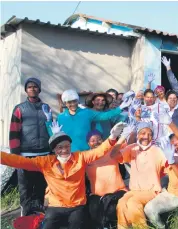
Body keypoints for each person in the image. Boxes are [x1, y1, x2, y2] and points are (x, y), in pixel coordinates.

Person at [1, 121, 128, 229]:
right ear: (54, 150)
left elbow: (99, 151)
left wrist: (112, 136)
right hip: (56, 206)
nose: (64, 150)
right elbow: (20, 161)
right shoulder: (46, 162)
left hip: (76, 206)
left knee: (77, 224)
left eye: (67, 146)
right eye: (60, 147)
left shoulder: (80, 157)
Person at [9, 77, 51, 216]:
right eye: (30, 87)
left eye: (35, 86)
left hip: (44, 152)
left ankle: (38, 207)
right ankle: (25, 208)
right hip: (25, 153)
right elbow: (14, 131)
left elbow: (50, 127)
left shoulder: (46, 107)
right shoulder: (20, 109)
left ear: (39, 89)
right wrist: (15, 154)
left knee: (41, 183)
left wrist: (51, 150)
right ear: (26, 90)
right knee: (25, 185)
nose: (32, 89)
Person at [115, 122, 168, 229]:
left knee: (133, 203)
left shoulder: (158, 151)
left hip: (151, 191)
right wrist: (123, 137)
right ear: (137, 134)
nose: (146, 137)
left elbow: (169, 167)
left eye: (150, 134)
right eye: (143, 133)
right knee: (121, 204)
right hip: (134, 190)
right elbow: (113, 155)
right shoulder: (132, 148)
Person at [47, 89, 132, 152]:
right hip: (70, 152)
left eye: (74, 101)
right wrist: (48, 121)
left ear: (77, 101)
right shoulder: (61, 117)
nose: (72, 104)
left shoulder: (87, 112)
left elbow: (104, 116)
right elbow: (54, 134)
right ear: (65, 103)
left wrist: (120, 108)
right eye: (69, 102)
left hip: (87, 151)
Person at [85, 130, 127, 229]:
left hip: (118, 191)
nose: (96, 142)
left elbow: (128, 143)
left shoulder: (112, 151)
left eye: (99, 139)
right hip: (97, 195)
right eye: (93, 140)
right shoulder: (86, 157)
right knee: (92, 209)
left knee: (111, 206)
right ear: (88, 143)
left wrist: (128, 132)